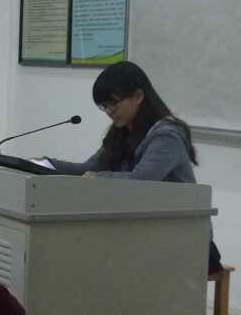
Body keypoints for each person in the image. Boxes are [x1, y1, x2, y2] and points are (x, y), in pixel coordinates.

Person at [48, 61, 223, 274]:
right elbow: (87, 168)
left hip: (188, 241)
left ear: (138, 96)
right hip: (147, 233)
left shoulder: (167, 135)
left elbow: (140, 181)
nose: (109, 112)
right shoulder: (121, 133)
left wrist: (98, 178)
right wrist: (46, 164)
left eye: (113, 103)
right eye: (104, 106)